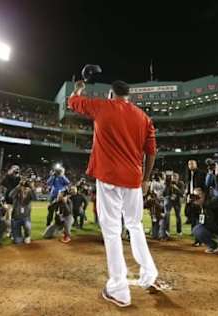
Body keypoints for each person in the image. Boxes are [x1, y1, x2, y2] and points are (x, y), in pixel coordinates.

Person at [68, 80, 160, 308]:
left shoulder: (102, 106)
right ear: (129, 95)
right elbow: (151, 152)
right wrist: (146, 179)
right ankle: (149, 275)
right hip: (134, 180)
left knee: (111, 231)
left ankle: (119, 289)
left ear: (112, 94)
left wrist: (78, 89)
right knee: (135, 225)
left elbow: (73, 102)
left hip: (108, 177)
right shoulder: (143, 117)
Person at [9, 179, 35, 244]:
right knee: (18, 241)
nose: (25, 189)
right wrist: (19, 186)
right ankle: (15, 235)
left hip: (26, 217)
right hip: (16, 219)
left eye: (26, 188)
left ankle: (27, 236)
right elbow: (10, 195)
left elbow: (35, 197)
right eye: (23, 187)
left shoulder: (29, 195)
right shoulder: (16, 194)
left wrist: (31, 187)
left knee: (28, 226)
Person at [184, 159, 206, 227]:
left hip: (199, 196)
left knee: (200, 213)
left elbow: (205, 185)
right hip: (191, 196)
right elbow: (188, 185)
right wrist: (187, 194)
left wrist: (203, 194)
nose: (191, 165)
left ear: (196, 164)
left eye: (192, 164)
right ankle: (193, 230)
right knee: (191, 213)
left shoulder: (202, 173)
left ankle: (201, 229)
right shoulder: (188, 174)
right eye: (189, 164)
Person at [163, 172, 184, 238]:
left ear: (178, 177)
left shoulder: (181, 183)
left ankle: (179, 231)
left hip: (177, 200)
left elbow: (182, 194)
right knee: (167, 214)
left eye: (175, 177)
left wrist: (176, 188)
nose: (174, 178)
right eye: (173, 177)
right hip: (169, 200)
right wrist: (167, 186)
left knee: (178, 216)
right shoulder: (168, 183)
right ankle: (167, 231)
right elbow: (164, 194)